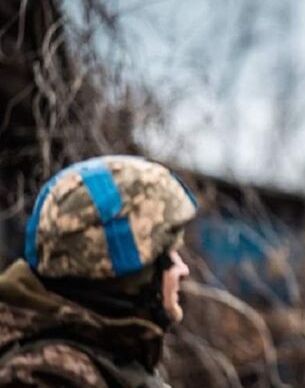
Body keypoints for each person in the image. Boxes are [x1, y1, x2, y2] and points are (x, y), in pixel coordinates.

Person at [0, 156, 198, 387]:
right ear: (132, 276)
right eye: (167, 254)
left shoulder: (108, 357)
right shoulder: (47, 376)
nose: (182, 269)